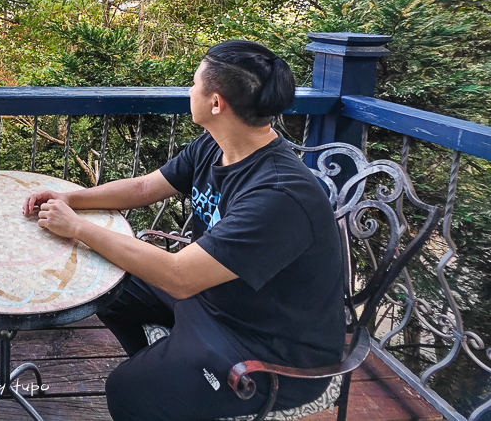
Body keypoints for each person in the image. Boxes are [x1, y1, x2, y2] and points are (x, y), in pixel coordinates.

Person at [22, 40, 346, 421]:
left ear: (216, 103)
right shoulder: (214, 146)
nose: (188, 90)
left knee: (126, 392)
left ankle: (164, 378)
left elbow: (179, 278)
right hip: (215, 299)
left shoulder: (279, 194)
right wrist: (71, 198)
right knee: (108, 286)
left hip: (268, 350)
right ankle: (167, 366)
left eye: (194, 83)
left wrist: (77, 228)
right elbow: (144, 188)